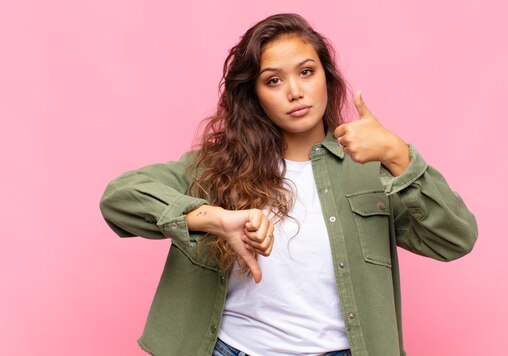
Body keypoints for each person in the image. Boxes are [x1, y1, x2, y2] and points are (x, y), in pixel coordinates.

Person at [100, 13, 478, 356]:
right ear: (255, 95)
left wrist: (398, 155)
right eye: (274, 80)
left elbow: (455, 238)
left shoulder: (371, 168)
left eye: (307, 72)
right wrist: (212, 218)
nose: (294, 92)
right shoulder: (216, 167)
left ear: (327, 77)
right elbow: (119, 199)